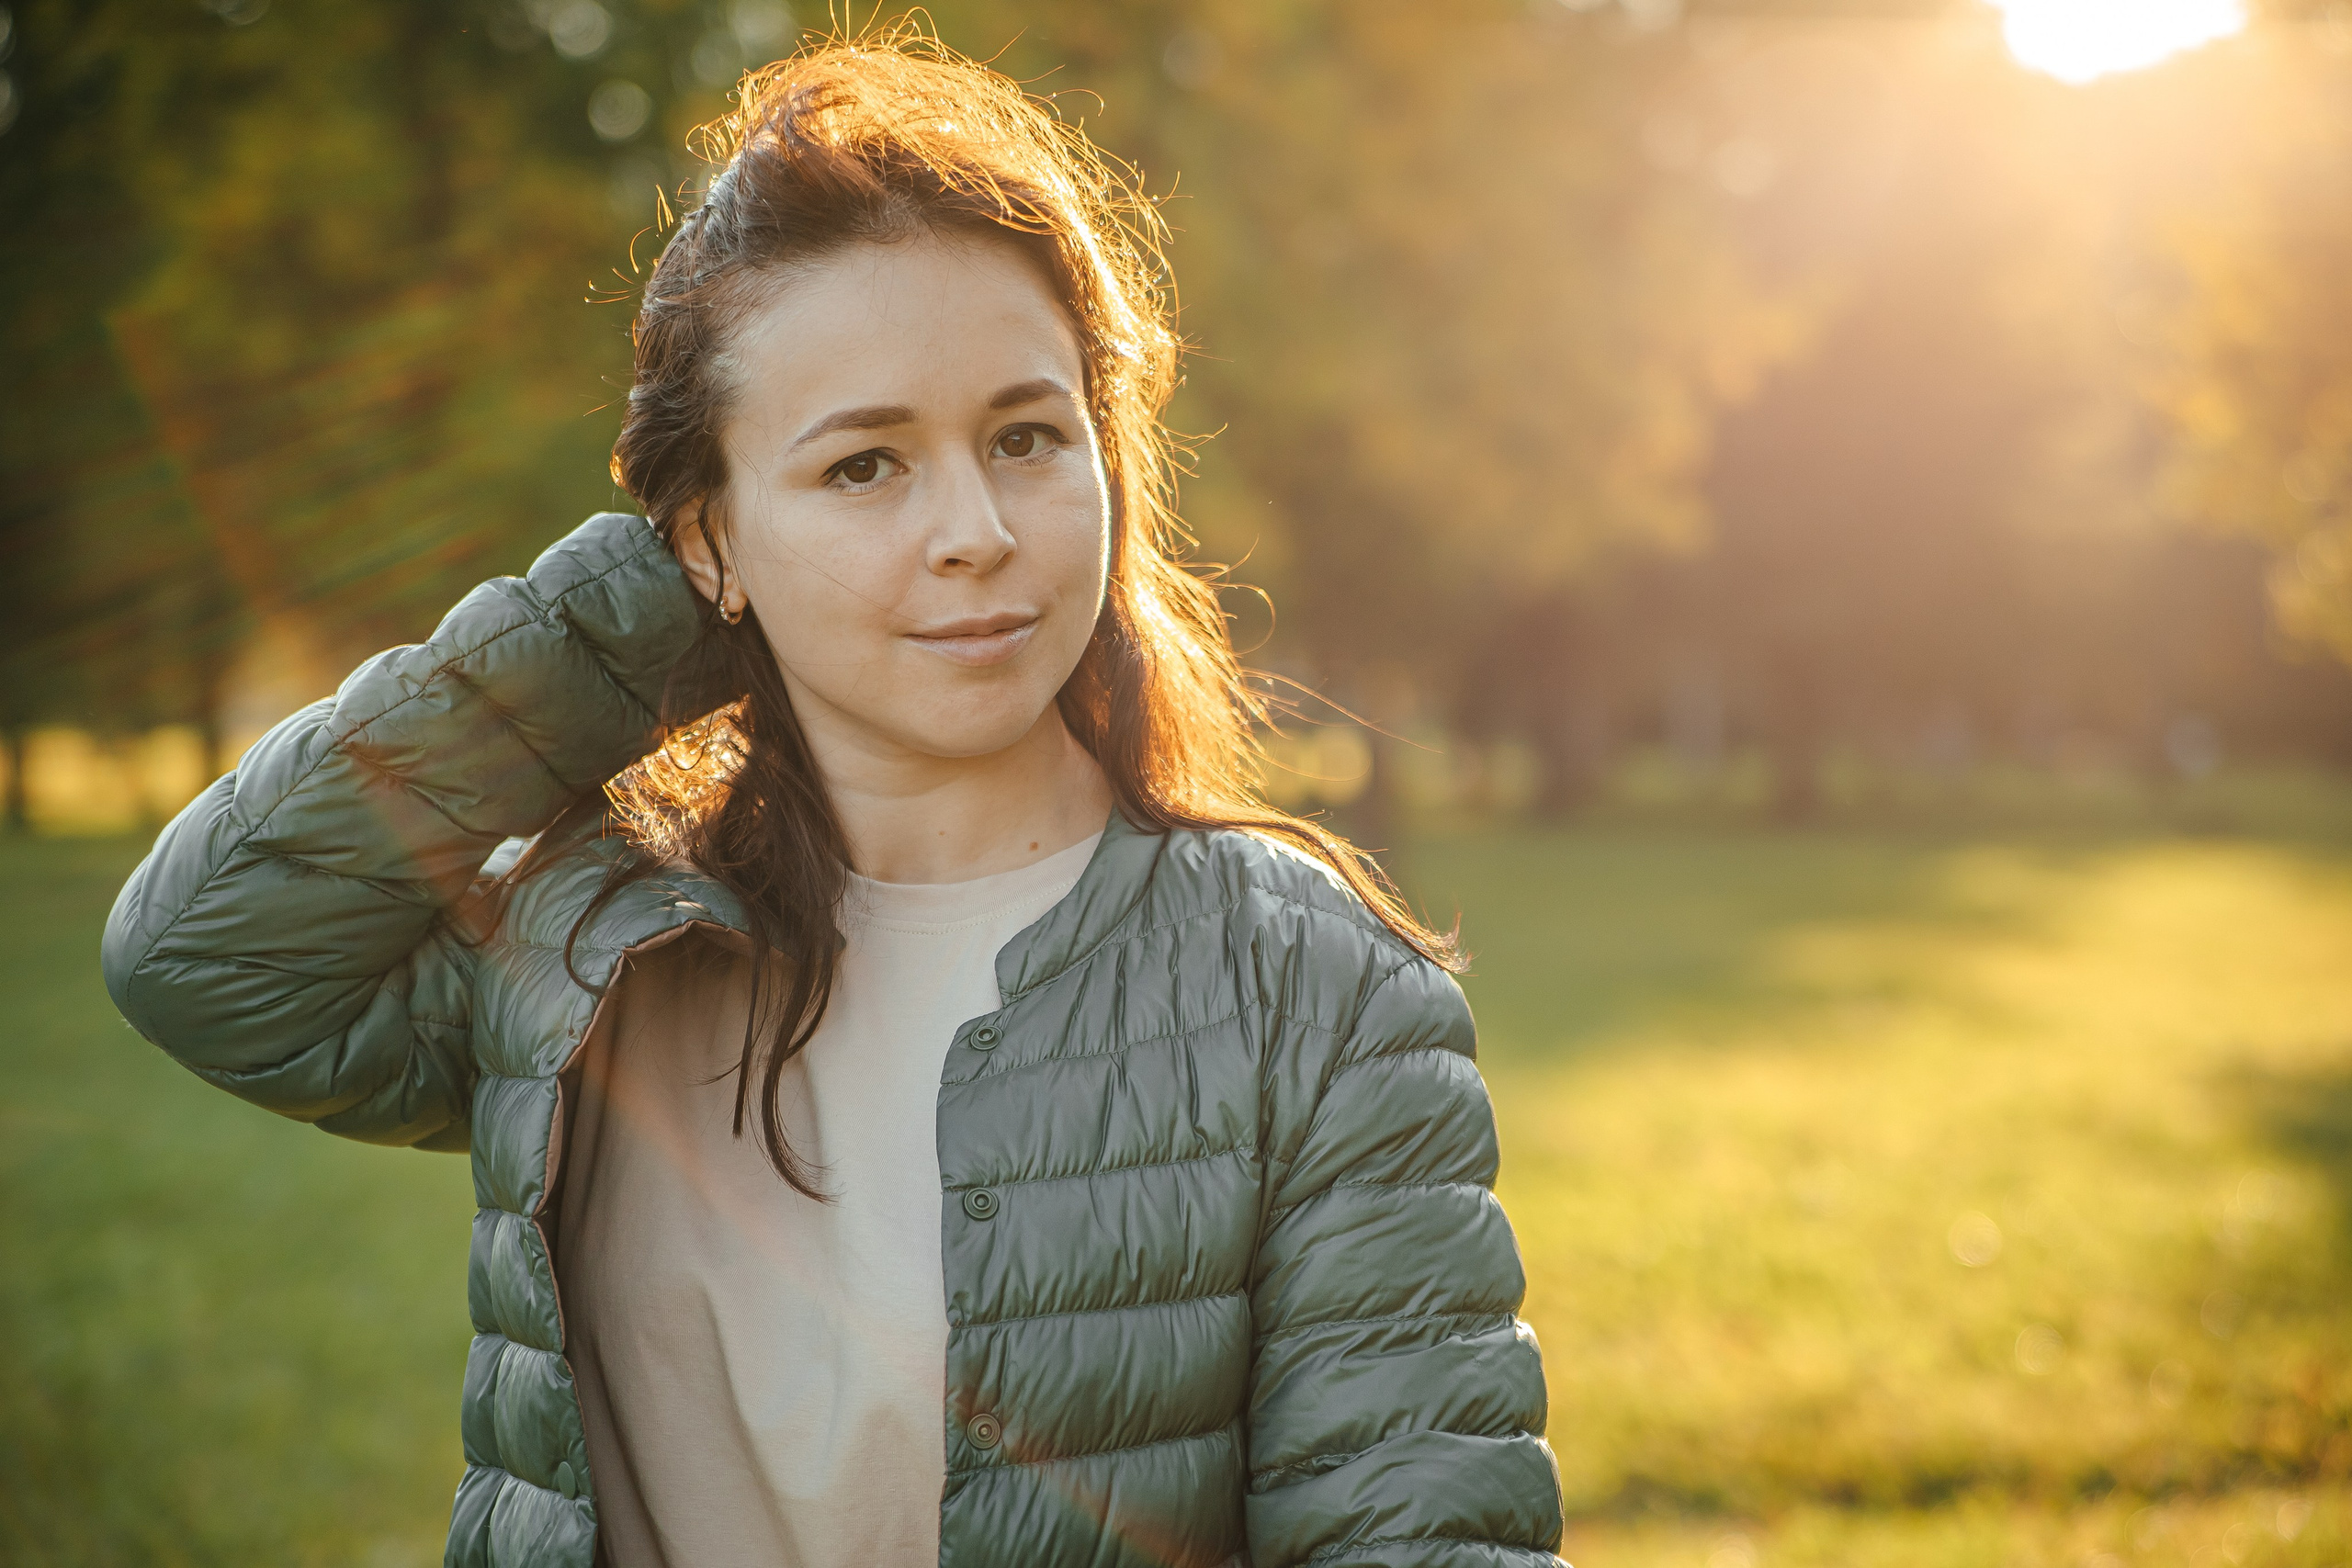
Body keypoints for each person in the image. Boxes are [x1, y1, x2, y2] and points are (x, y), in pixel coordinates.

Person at [100, 27, 1564, 1568]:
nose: (977, 530)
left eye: (1027, 437)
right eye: (864, 467)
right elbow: (206, 954)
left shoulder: (1315, 987)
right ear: (706, 540)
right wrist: (637, 623)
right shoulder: (589, 940)